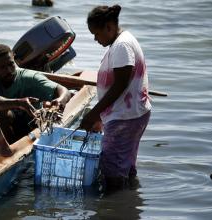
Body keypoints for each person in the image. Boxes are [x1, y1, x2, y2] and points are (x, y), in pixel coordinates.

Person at [80, 4, 152, 190]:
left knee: (112, 170)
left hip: (124, 119)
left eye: (96, 34)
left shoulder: (122, 46)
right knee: (125, 164)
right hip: (131, 114)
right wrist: (101, 115)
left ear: (109, 27)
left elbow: (120, 84)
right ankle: (130, 202)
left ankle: (115, 207)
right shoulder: (121, 42)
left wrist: (94, 114)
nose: (95, 39)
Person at [0, 44, 71, 144]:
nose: (9, 70)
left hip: (33, 124)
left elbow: (64, 91)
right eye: (2, 67)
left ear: (14, 59)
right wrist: (19, 103)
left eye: (11, 64)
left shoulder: (30, 77)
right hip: (10, 128)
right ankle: (10, 149)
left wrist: (59, 101)